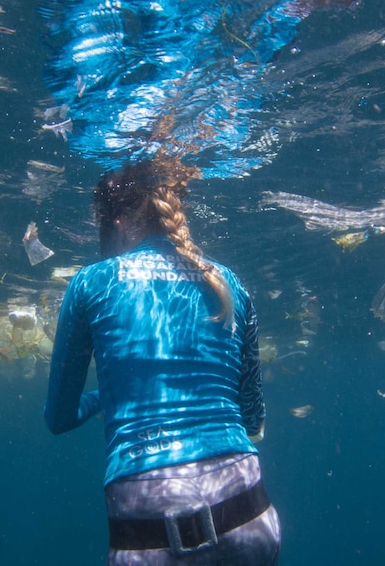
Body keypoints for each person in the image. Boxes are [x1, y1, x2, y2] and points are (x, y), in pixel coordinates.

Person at [44, 160, 280, 565]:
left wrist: (108, 397)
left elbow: (59, 417)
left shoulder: (92, 282)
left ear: (115, 219)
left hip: (149, 525)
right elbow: (252, 414)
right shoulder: (226, 281)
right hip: (246, 510)